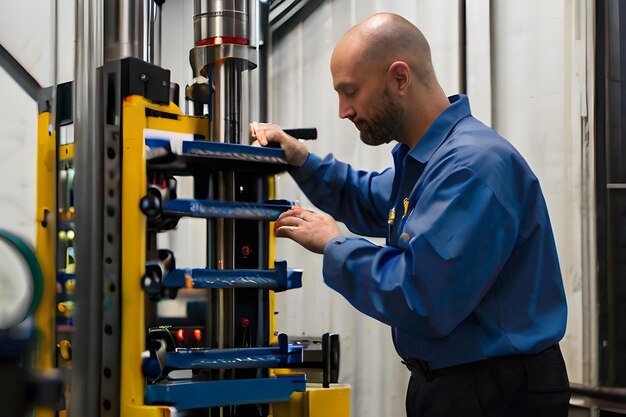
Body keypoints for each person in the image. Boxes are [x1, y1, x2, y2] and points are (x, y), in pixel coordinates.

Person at [250, 12, 570, 417]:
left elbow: (423, 296)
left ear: (399, 78)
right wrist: (300, 158)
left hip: (497, 394)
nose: (343, 111)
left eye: (350, 92)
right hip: (452, 385)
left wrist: (335, 244)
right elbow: (366, 197)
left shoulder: (471, 166)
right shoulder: (427, 162)